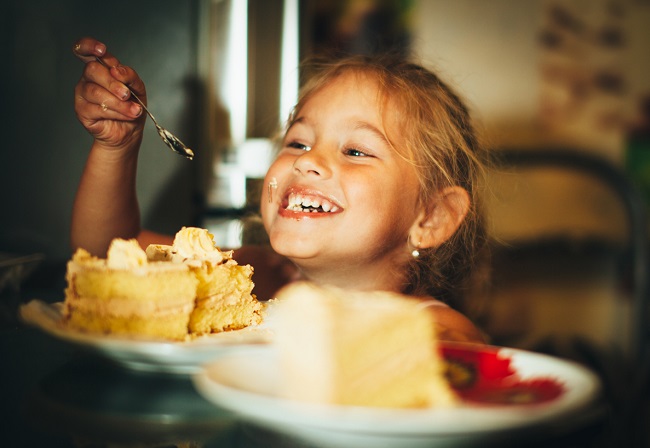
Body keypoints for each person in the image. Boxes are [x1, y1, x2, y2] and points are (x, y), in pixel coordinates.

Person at [71, 37, 487, 343]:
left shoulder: (439, 336)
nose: (306, 161)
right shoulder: (253, 280)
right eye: (297, 143)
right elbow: (108, 253)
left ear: (431, 218)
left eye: (356, 151)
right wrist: (118, 147)